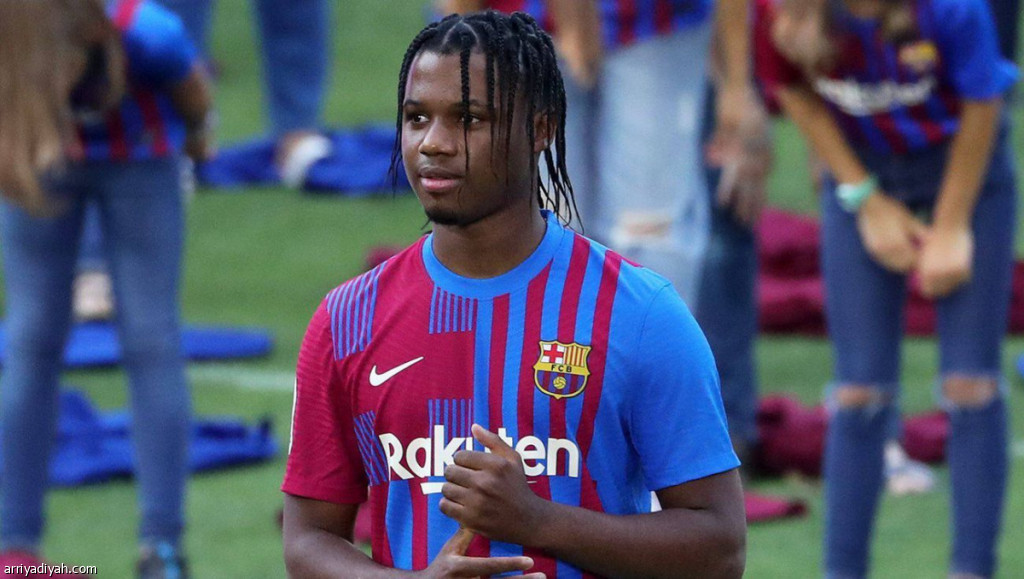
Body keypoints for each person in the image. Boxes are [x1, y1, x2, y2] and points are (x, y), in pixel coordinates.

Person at [282, 11, 745, 577]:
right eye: (416, 117)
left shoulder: (639, 313)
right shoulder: (348, 320)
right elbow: (306, 540)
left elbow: (720, 547)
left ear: (540, 129)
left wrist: (536, 520)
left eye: (469, 119)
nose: (434, 143)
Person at [758, 0, 1017, 576]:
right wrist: (866, 201)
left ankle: (972, 568)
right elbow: (791, 89)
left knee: (971, 383)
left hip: (965, 170)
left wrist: (951, 227)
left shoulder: (951, 11)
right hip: (863, 174)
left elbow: (985, 102)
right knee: (859, 392)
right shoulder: (780, 12)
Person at [0, 0, 212, 577]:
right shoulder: (16, 32)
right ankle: (18, 548)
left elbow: (194, 97)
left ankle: (159, 543)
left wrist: (197, 139)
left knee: (148, 338)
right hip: (41, 153)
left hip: (140, 161)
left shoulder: (143, 32)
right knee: (35, 338)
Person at [441, 0, 757, 311]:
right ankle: (534, 342)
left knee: (650, 235)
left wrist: (737, 85)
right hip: (519, 28)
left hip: (656, 25)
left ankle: (649, 342)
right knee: (538, 232)